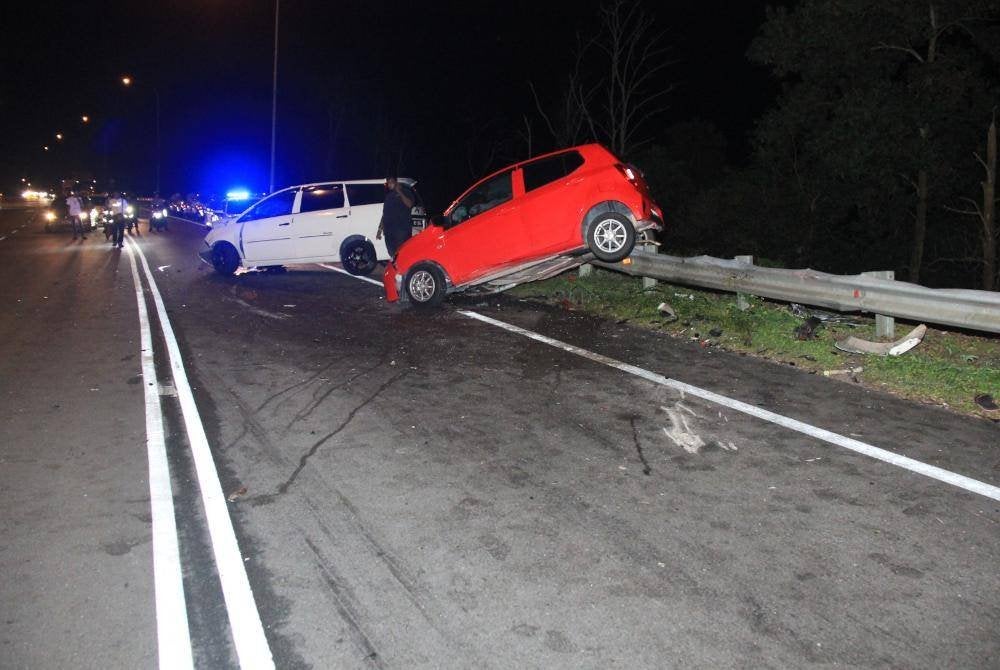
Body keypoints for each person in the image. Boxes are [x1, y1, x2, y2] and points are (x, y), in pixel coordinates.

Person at [376, 176, 414, 258]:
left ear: (396, 182)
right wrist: (379, 229)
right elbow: (384, 214)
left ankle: (405, 269)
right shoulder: (388, 196)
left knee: (402, 252)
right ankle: (396, 269)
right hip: (389, 231)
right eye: (388, 183)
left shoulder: (406, 192)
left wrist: (400, 192)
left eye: (391, 182)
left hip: (401, 230)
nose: (389, 185)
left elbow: (409, 204)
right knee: (392, 253)